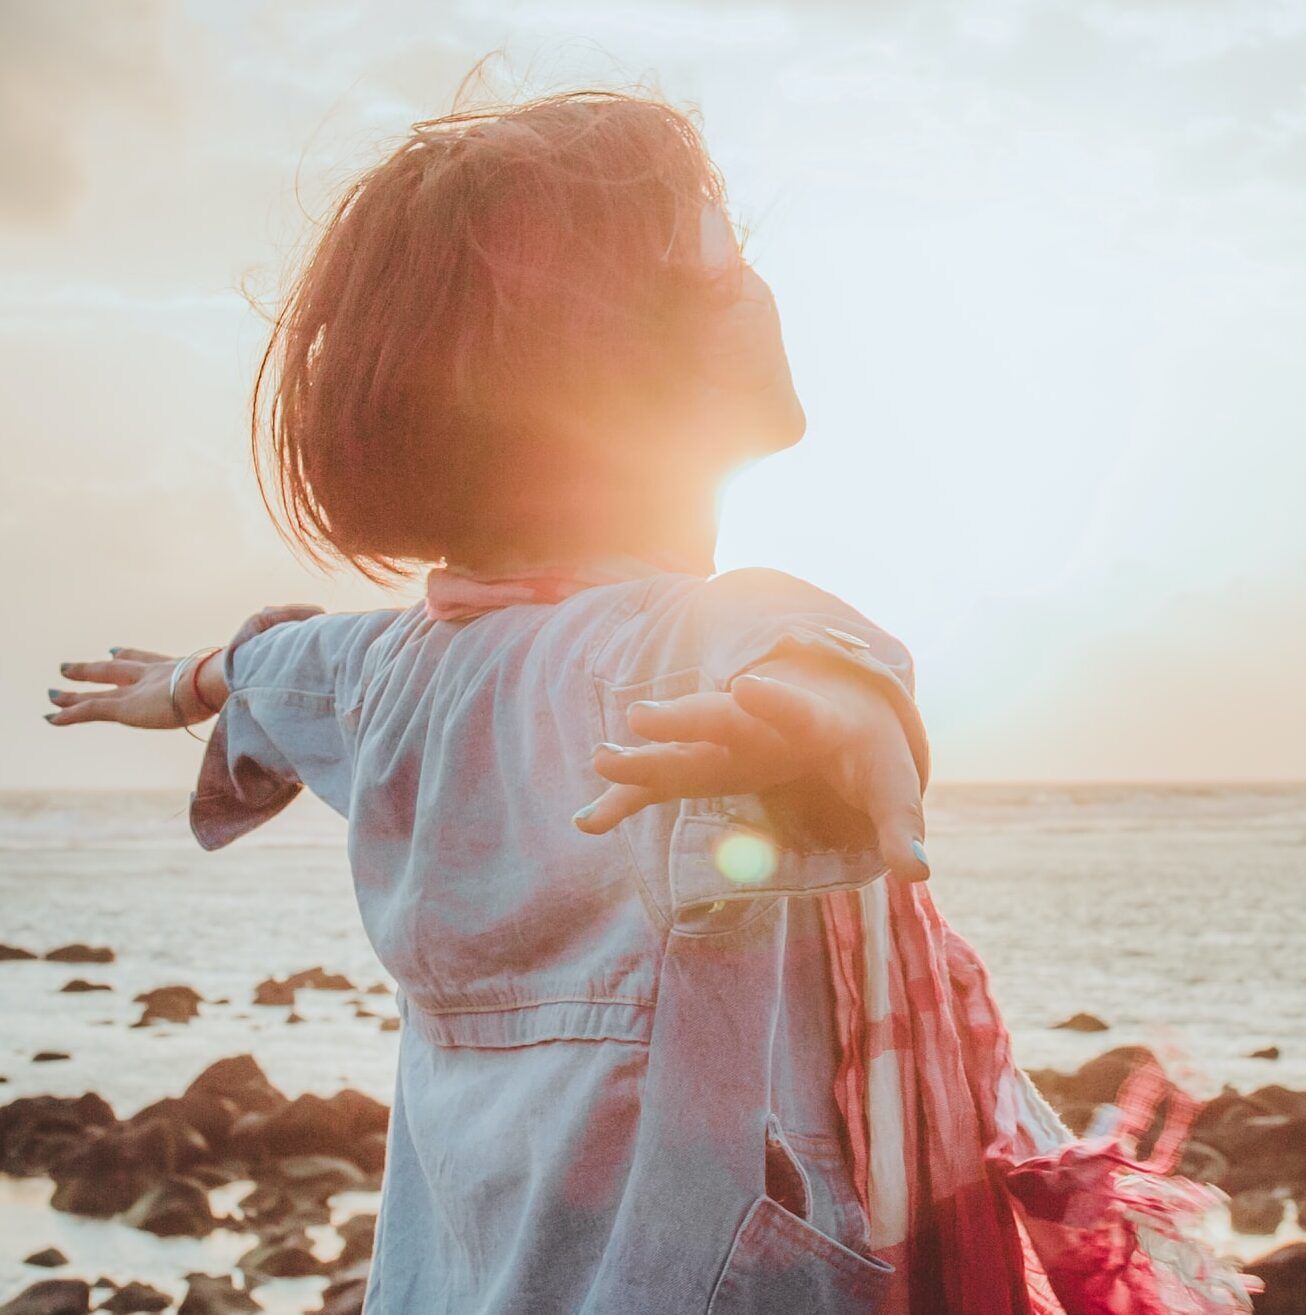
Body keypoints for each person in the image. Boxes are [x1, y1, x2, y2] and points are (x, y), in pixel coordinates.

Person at [47, 91, 943, 1315]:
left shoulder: (392, 670)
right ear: (612, 362)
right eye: (720, 255)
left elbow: (278, 664)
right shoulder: (673, 647)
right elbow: (783, 646)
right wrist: (829, 717)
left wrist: (190, 682)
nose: (755, 285)